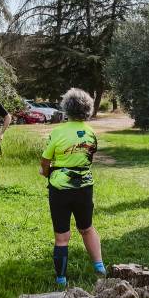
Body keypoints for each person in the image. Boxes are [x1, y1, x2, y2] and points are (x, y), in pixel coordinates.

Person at [39, 88, 105, 286]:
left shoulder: (57, 131)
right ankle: (99, 266)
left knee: (62, 236)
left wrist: (47, 172)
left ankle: (61, 278)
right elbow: (89, 157)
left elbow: (45, 160)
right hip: (84, 186)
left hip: (60, 187)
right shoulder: (91, 132)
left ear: (66, 107)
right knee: (87, 227)